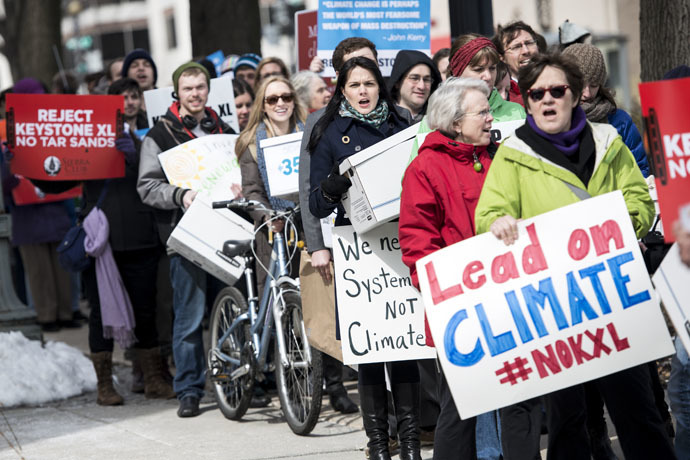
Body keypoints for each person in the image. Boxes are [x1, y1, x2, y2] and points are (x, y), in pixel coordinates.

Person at [474, 52, 676, 460]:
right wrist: (498, 223)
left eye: (557, 90)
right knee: (569, 423)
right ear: (527, 102)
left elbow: (639, 198)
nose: (547, 100)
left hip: (614, 302)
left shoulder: (608, 141)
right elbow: (488, 213)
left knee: (639, 414)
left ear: (575, 95)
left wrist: (625, 222)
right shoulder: (512, 155)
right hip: (557, 313)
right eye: (536, 94)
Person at [307, 56, 415, 460]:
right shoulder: (329, 132)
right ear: (343, 90)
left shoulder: (402, 125)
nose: (364, 92)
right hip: (358, 251)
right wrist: (332, 188)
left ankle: (408, 445)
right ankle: (378, 446)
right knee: (371, 354)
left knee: (405, 348)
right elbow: (316, 203)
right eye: (355, 86)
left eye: (369, 84)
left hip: (398, 242)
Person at [399, 77, 493, 460]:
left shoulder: (500, 157)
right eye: (482, 112)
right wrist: (443, 291)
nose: (490, 118)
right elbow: (417, 241)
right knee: (461, 404)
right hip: (459, 304)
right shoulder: (425, 168)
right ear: (456, 123)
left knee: (516, 401)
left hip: (506, 293)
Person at [138, 62, 234, 418]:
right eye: (188, 88)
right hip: (186, 235)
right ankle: (190, 389)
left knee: (229, 312)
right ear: (176, 93)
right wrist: (181, 196)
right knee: (190, 317)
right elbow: (146, 187)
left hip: (225, 232)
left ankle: (233, 381)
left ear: (208, 91)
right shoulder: (158, 135)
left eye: (201, 87)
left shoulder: (223, 128)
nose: (195, 94)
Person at [0, 78, 75, 333]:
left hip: (55, 208)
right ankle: (46, 315)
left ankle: (66, 312)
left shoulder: (54, 125)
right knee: (38, 269)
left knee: (62, 266)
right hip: (27, 213)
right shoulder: (4, 133)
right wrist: (9, 167)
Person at [235, 75, 306, 297]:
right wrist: (267, 215)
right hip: (272, 233)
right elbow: (252, 190)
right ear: (263, 106)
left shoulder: (311, 135)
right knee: (277, 299)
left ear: (294, 101)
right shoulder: (251, 143)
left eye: (286, 97)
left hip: (307, 226)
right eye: (272, 99)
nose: (280, 103)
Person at [408, 34, 525, 165]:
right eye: (478, 69)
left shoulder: (516, 112)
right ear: (457, 72)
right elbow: (415, 175)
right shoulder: (434, 121)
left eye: (492, 68)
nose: (487, 76)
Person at [563, 43, 650, 177]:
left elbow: (639, 169)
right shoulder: (553, 120)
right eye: (581, 84)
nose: (587, 93)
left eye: (593, 85)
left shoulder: (619, 120)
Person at [493, 21, 541, 106]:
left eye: (529, 43)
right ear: (502, 57)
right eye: (517, 47)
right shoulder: (501, 95)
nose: (526, 51)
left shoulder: (556, 80)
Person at [388, 50, 441, 124]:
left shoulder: (440, 121)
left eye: (426, 80)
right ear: (397, 82)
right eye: (414, 78)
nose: (421, 86)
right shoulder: (382, 119)